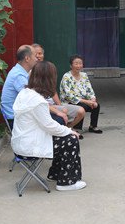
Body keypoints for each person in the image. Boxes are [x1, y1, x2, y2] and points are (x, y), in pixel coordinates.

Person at [11, 61, 86, 191]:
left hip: (21, 142)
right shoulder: (37, 101)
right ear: (49, 79)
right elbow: (49, 126)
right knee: (71, 140)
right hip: (29, 147)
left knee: (64, 137)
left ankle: (55, 174)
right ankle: (66, 183)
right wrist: (69, 131)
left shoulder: (25, 93)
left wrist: (66, 131)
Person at [32, 43, 86, 133]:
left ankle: (68, 128)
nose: (38, 56)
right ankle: (63, 131)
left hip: (52, 104)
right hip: (42, 105)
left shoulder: (46, 68)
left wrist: (59, 105)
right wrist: (59, 109)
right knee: (63, 110)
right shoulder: (30, 72)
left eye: (40, 53)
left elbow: (52, 90)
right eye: (35, 54)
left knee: (81, 111)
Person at [59, 55, 102, 134]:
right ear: (71, 65)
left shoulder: (84, 75)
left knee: (96, 105)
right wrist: (87, 102)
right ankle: (77, 128)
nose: (78, 66)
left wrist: (92, 99)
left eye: (80, 63)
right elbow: (69, 96)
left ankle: (93, 126)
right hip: (69, 101)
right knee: (82, 106)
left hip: (83, 100)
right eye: (76, 63)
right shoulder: (66, 77)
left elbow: (89, 89)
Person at [0, 45, 37, 128]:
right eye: (35, 56)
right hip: (15, 120)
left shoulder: (20, 72)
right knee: (58, 119)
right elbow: (33, 100)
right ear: (27, 58)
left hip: (20, 117)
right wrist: (56, 110)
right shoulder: (18, 76)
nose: (36, 59)